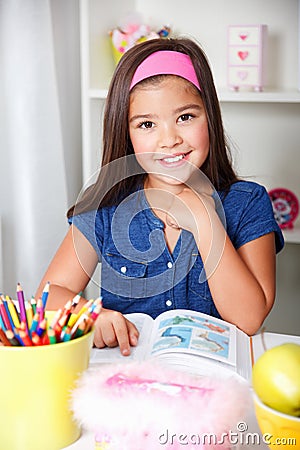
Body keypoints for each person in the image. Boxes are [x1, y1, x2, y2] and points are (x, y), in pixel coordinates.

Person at [35, 37, 284, 356]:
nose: (169, 139)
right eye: (147, 124)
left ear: (210, 116)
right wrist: (89, 316)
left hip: (212, 389)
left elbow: (249, 319)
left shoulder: (247, 203)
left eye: (186, 117)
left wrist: (204, 221)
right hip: (126, 380)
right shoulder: (107, 206)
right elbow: (48, 295)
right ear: (126, 133)